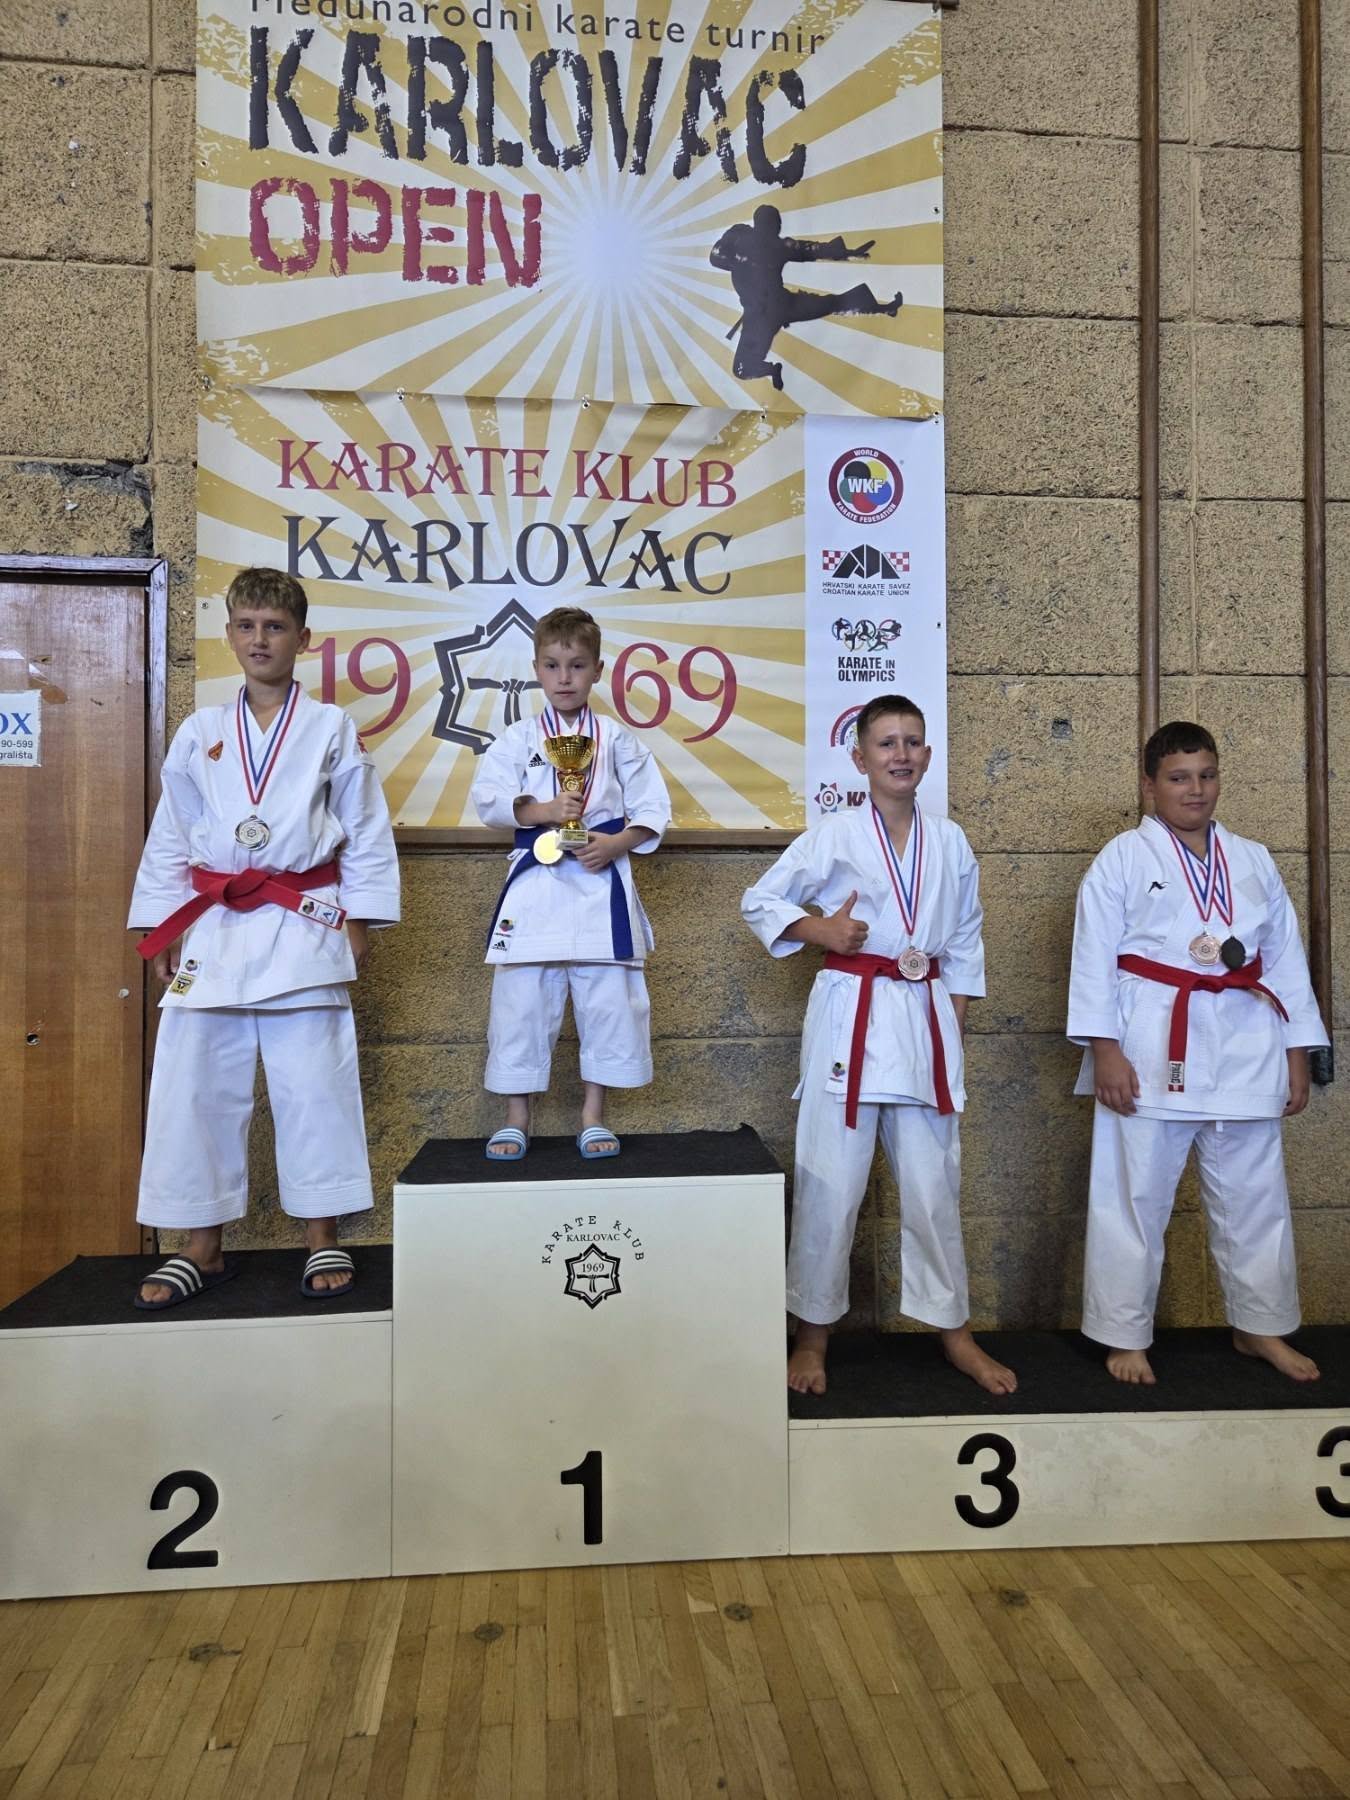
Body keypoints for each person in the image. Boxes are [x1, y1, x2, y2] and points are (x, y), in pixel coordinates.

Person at [128, 567, 400, 1308]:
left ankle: (322, 1235)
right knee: (195, 1086)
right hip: (214, 923)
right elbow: (173, 831)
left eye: (274, 627)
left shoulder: (330, 728)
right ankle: (201, 1244)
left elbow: (365, 827)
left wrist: (360, 917)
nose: (259, 640)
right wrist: (160, 920)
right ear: (229, 635)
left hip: (303, 919)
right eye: (246, 626)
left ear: (302, 639)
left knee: (314, 1086)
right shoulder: (200, 732)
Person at [741, 695, 1016, 1397]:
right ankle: (812, 1336)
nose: (902, 754)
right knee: (830, 1182)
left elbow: (965, 940)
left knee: (934, 1184)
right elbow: (760, 900)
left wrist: (950, 1025)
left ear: (928, 755)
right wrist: (820, 932)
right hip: (852, 1016)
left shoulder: (950, 842)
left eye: (913, 742)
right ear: (860, 757)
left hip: (924, 1017)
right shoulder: (834, 835)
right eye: (887, 742)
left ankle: (954, 1331)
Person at [1068, 720, 1328, 1385]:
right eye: (1179, 778)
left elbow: (1285, 960)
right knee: (1134, 1195)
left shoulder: (1254, 859)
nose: (1196, 790)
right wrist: (1105, 1050)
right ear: (1150, 785)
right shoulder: (1122, 858)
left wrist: (1297, 1049)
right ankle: (1124, 1334)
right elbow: (1093, 958)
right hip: (1151, 1043)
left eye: (1207, 775)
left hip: (1245, 1037)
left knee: (1256, 1197)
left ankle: (1260, 1326)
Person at [470, 606, 671, 1159]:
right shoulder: (518, 738)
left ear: (597, 670)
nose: (565, 678)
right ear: (536, 668)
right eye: (553, 666)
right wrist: (543, 811)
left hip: (598, 881)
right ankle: (516, 1117)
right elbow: (489, 800)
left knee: (606, 1002)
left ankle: (592, 1115)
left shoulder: (617, 739)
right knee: (519, 1004)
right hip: (536, 885)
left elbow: (653, 808)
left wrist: (616, 844)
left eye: (577, 666)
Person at [710, 204, 903, 390]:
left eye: (777, 224)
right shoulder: (752, 242)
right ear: (765, 224)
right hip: (763, 315)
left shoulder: (774, 245)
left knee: (831, 304)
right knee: (743, 368)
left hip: (778, 307)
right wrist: (735, 243)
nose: (777, 228)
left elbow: (808, 249)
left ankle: (883, 308)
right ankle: (772, 369)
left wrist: (845, 252)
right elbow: (716, 257)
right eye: (775, 223)